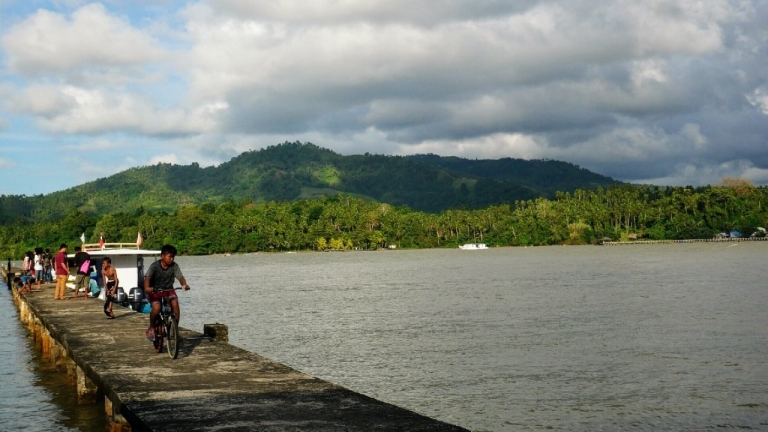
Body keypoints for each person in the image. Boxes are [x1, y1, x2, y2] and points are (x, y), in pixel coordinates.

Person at [143, 244, 190, 341]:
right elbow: (147, 277)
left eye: (173, 256)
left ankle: (174, 329)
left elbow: (180, 277)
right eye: (170, 256)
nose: (172, 259)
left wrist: (184, 285)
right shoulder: (154, 266)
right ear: (162, 256)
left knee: (175, 303)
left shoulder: (174, 266)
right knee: (157, 307)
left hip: (168, 289)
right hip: (154, 290)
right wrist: (147, 287)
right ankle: (152, 328)